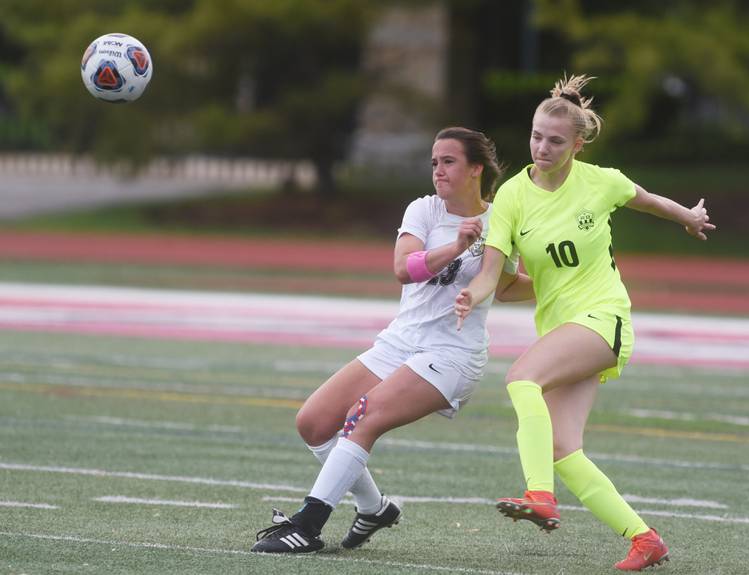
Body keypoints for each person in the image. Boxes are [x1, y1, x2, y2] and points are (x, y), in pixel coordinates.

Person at [454, 74, 715, 571]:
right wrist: (472, 293)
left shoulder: (601, 181)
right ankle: (644, 539)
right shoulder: (511, 195)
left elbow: (651, 201)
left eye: (555, 140)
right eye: (536, 136)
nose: (542, 147)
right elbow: (492, 272)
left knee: (521, 377)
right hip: (560, 330)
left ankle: (538, 495)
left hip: (604, 317)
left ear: (577, 144)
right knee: (561, 447)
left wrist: (689, 217)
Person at [250, 126, 532, 553]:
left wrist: (562, 281)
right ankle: (374, 507)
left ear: (476, 168)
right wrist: (456, 246)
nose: (438, 169)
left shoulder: (502, 220)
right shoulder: (424, 210)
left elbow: (508, 285)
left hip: (452, 354)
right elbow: (405, 268)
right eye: (434, 162)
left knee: (364, 417)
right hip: (400, 342)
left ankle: (308, 526)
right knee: (313, 422)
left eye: (449, 161)